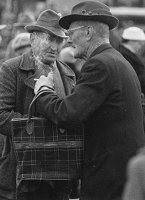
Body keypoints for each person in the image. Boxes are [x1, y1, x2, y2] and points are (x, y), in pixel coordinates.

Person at [33, 1, 145, 200]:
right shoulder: (119, 61)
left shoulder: (99, 64)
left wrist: (43, 91)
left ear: (87, 32)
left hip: (108, 180)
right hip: (120, 173)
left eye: (71, 32)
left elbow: (67, 113)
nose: (68, 40)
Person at [0, 9, 77, 200]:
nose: (55, 46)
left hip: (59, 175)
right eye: (49, 39)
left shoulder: (68, 73)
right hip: (23, 174)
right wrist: (41, 131)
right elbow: (1, 115)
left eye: (59, 41)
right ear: (33, 39)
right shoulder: (11, 69)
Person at [118, 26, 145, 95]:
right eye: (140, 43)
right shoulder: (124, 54)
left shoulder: (124, 52)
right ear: (132, 41)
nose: (141, 46)